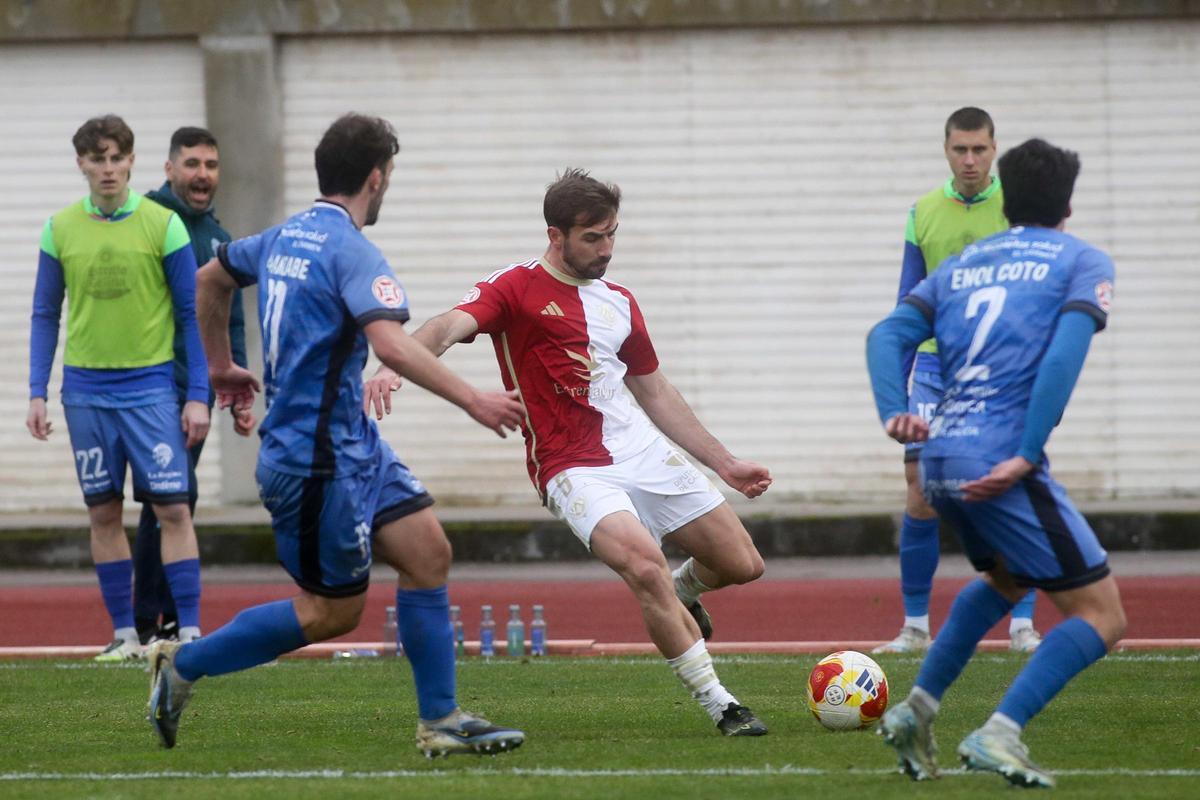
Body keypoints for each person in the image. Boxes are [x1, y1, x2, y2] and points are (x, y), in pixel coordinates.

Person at [147, 113, 527, 759]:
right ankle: (183, 665)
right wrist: (475, 400)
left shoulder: (284, 236)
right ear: (376, 179)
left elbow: (210, 278)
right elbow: (393, 347)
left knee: (427, 551)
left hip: (352, 446)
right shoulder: (354, 251)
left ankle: (440, 720)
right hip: (314, 461)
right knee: (330, 612)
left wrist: (218, 364)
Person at [373, 168, 772, 736]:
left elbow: (654, 389)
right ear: (556, 235)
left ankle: (687, 591)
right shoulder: (515, 286)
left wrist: (725, 462)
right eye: (593, 238)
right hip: (570, 466)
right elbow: (447, 325)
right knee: (643, 565)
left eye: (612, 234)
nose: (606, 249)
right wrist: (396, 362)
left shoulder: (620, 302)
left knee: (743, 565)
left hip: (638, 450)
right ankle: (723, 705)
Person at [866, 138, 1127, 787]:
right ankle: (999, 731)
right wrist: (1027, 452)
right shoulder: (1081, 261)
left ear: (1006, 199)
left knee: (1010, 580)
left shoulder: (965, 264)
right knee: (1102, 615)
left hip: (941, 454)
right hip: (999, 455)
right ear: (1067, 202)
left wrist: (894, 410)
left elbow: (885, 334)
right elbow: (1063, 360)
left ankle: (915, 711)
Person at [27, 114, 208, 662]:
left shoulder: (164, 225)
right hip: (84, 392)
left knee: (173, 509)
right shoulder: (59, 229)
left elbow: (190, 314)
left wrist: (196, 393)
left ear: (131, 161)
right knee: (103, 512)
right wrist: (37, 390)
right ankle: (125, 637)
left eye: (116, 158)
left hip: (151, 389)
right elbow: (44, 314)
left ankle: (192, 634)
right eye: (97, 159)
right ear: (81, 163)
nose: (108, 169)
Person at [875, 106, 1041, 656]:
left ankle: (1022, 623)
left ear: (995, 149)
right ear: (946, 150)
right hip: (933, 364)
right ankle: (915, 626)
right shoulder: (922, 211)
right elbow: (906, 299)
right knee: (920, 488)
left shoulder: (1017, 208)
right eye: (959, 150)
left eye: (979, 149)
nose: (969, 160)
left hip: (998, 365)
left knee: (1008, 480)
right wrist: (896, 391)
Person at [133, 126, 254, 646]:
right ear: (169, 170)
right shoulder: (148, 223)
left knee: (173, 499)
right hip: (156, 386)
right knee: (171, 498)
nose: (202, 174)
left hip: (198, 392)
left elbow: (231, 319)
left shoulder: (218, 235)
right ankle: (150, 620)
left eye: (210, 164)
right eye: (192, 164)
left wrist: (238, 385)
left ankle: (160, 618)